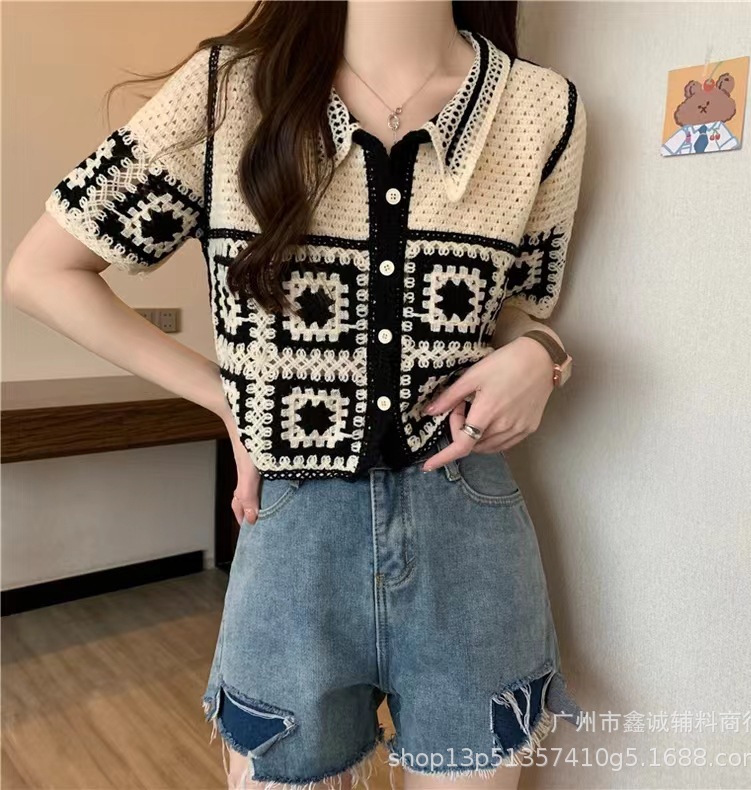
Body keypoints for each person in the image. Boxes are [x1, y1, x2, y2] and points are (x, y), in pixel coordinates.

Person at [5, 1, 587, 788]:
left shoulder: (542, 107)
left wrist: (543, 355)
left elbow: (517, 304)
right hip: (292, 535)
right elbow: (43, 272)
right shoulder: (228, 90)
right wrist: (225, 399)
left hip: (468, 529)